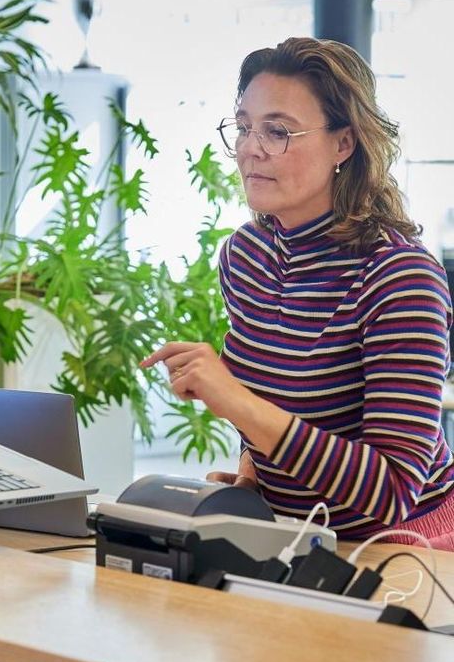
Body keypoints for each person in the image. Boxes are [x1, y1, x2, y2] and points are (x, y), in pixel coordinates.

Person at [142, 36, 454, 545]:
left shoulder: (399, 277)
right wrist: (252, 477)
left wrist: (234, 400)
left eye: (278, 131)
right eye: (244, 127)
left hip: (405, 548)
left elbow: (393, 490)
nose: (250, 149)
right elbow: (279, 404)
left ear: (343, 144)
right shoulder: (246, 256)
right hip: (296, 537)